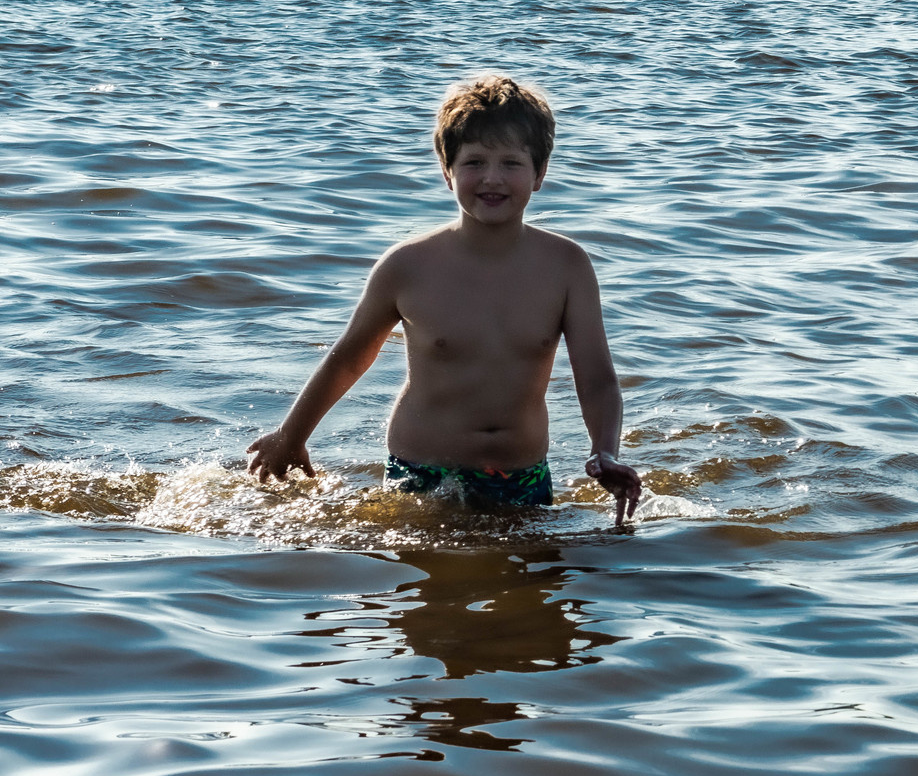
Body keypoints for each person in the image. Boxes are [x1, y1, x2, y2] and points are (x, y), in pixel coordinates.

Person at [245, 73, 644, 524]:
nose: (491, 178)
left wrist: (604, 451)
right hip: (422, 469)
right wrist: (292, 435)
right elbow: (348, 359)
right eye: (474, 162)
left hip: (522, 474)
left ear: (539, 174)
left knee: (532, 587)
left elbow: (596, 380)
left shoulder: (566, 266)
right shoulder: (407, 266)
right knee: (430, 588)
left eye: (511, 163)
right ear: (447, 170)